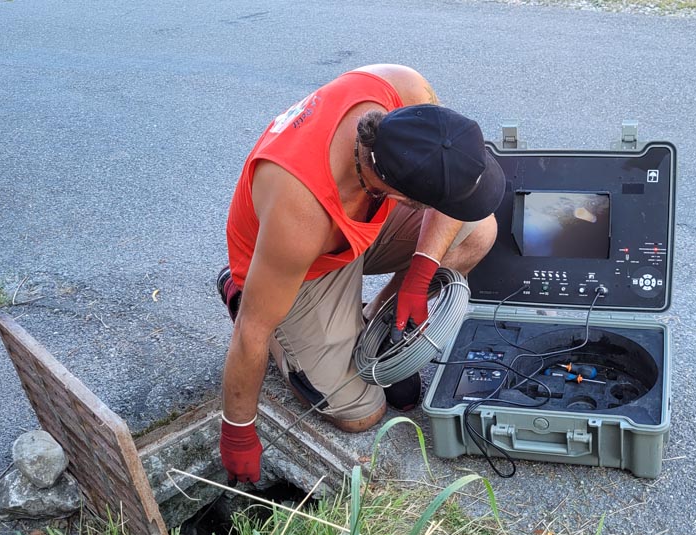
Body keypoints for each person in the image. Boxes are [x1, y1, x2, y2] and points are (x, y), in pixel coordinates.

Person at [215, 64, 505, 483]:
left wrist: (420, 273)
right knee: (360, 413)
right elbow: (251, 333)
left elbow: (446, 186)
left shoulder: (402, 89)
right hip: (301, 265)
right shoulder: (300, 215)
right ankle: (242, 293)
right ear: (406, 197)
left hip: (356, 220)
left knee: (477, 232)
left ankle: (375, 329)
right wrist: (237, 429)